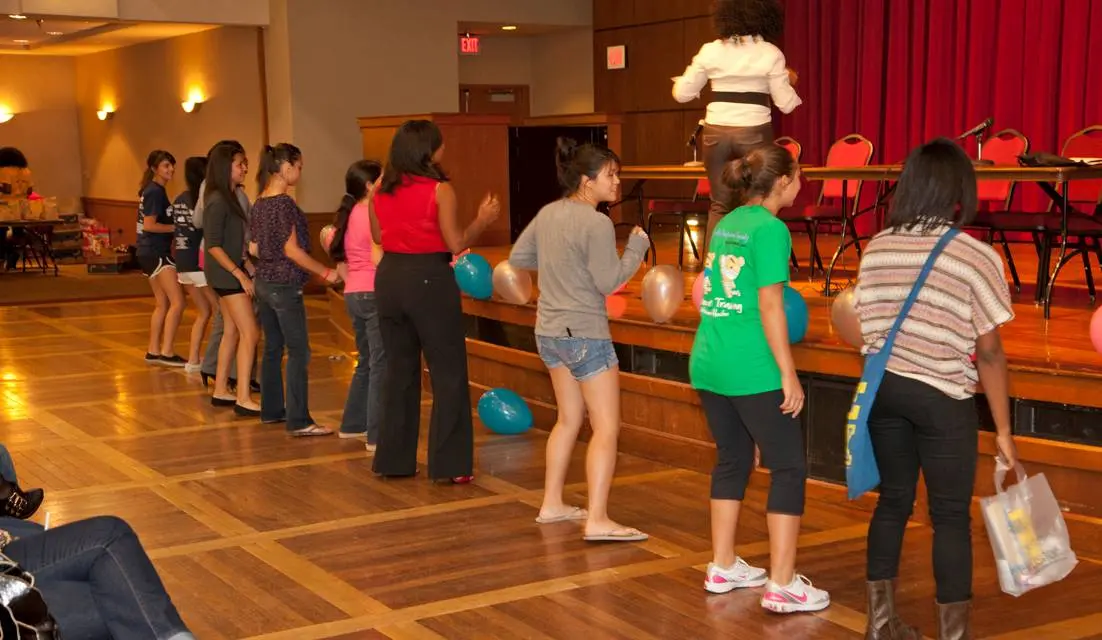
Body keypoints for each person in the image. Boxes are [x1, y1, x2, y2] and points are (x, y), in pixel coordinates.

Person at [853, 139, 1018, 640]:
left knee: (892, 503)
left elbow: (865, 327)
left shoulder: (877, 247)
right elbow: (989, 353)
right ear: (958, 188)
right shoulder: (974, 256)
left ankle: (881, 624)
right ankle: (953, 635)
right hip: (942, 397)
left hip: (884, 391)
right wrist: (1004, 430)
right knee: (948, 516)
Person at [690, 144, 829, 613]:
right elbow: (771, 306)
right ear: (782, 182)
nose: (801, 183)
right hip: (750, 367)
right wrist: (788, 373)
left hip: (709, 360)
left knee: (732, 459)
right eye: (798, 176)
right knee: (788, 467)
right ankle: (783, 584)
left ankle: (722, 565)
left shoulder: (728, 222)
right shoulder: (771, 230)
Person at [508, 138, 650, 542]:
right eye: (610, 175)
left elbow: (519, 257)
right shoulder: (597, 222)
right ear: (587, 181)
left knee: (568, 419)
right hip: (585, 333)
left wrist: (561, 265)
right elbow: (609, 281)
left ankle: (552, 503)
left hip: (549, 332)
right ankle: (598, 519)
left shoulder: (549, 213)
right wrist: (637, 248)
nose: (617, 182)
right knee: (606, 427)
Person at [369, 119, 500, 483]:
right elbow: (455, 243)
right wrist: (482, 220)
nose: (444, 148)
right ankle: (450, 466)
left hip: (390, 277)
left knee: (399, 372)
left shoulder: (380, 188)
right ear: (428, 150)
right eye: (440, 144)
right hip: (429, 278)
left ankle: (393, 461)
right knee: (448, 373)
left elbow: (378, 235)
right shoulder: (440, 190)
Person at [672, 0, 801, 251]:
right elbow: (786, 104)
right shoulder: (769, 52)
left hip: (715, 133)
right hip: (753, 130)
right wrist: (788, 81)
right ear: (764, 15)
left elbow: (681, 94)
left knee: (719, 205)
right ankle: (751, 262)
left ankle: (713, 266)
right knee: (759, 203)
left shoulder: (710, 51)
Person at [251, 144, 339, 435]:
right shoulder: (284, 204)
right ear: (285, 167)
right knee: (299, 350)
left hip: (263, 281)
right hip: (284, 284)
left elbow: (253, 247)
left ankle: (271, 410)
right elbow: (291, 250)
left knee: (273, 347)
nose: (300, 172)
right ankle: (300, 420)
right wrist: (325, 271)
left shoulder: (259, 202)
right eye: (299, 166)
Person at [193, 140, 258, 393]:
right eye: (240, 164)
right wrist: (239, 274)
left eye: (245, 163)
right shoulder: (218, 199)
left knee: (231, 331)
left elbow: (234, 242)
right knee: (250, 333)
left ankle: (221, 390)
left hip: (229, 270)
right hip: (225, 275)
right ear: (224, 167)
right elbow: (213, 245)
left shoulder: (230, 197)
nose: (245, 169)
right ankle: (243, 396)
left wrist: (247, 265)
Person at [331, 160, 386, 449]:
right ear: (369, 185)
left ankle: (353, 424)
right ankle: (377, 436)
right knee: (380, 365)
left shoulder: (350, 213)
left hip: (353, 292)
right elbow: (378, 257)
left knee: (366, 361)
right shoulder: (370, 214)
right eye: (382, 178)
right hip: (373, 292)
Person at [136, 150, 187, 366]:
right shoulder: (154, 192)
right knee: (178, 302)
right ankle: (167, 351)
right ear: (154, 168)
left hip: (147, 252)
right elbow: (149, 225)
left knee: (162, 303)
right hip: (156, 251)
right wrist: (176, 228)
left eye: (172, 165)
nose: (171, 169)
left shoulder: (153, 190)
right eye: (166, 165)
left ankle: (153, 350)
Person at [172, 156, 215, 373]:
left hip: (182, 263)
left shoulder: (179, 199)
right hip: (199, 263)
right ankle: (215, 361)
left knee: (204, 311)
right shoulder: (203, 199)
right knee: (221, 313)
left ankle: (193, 360)